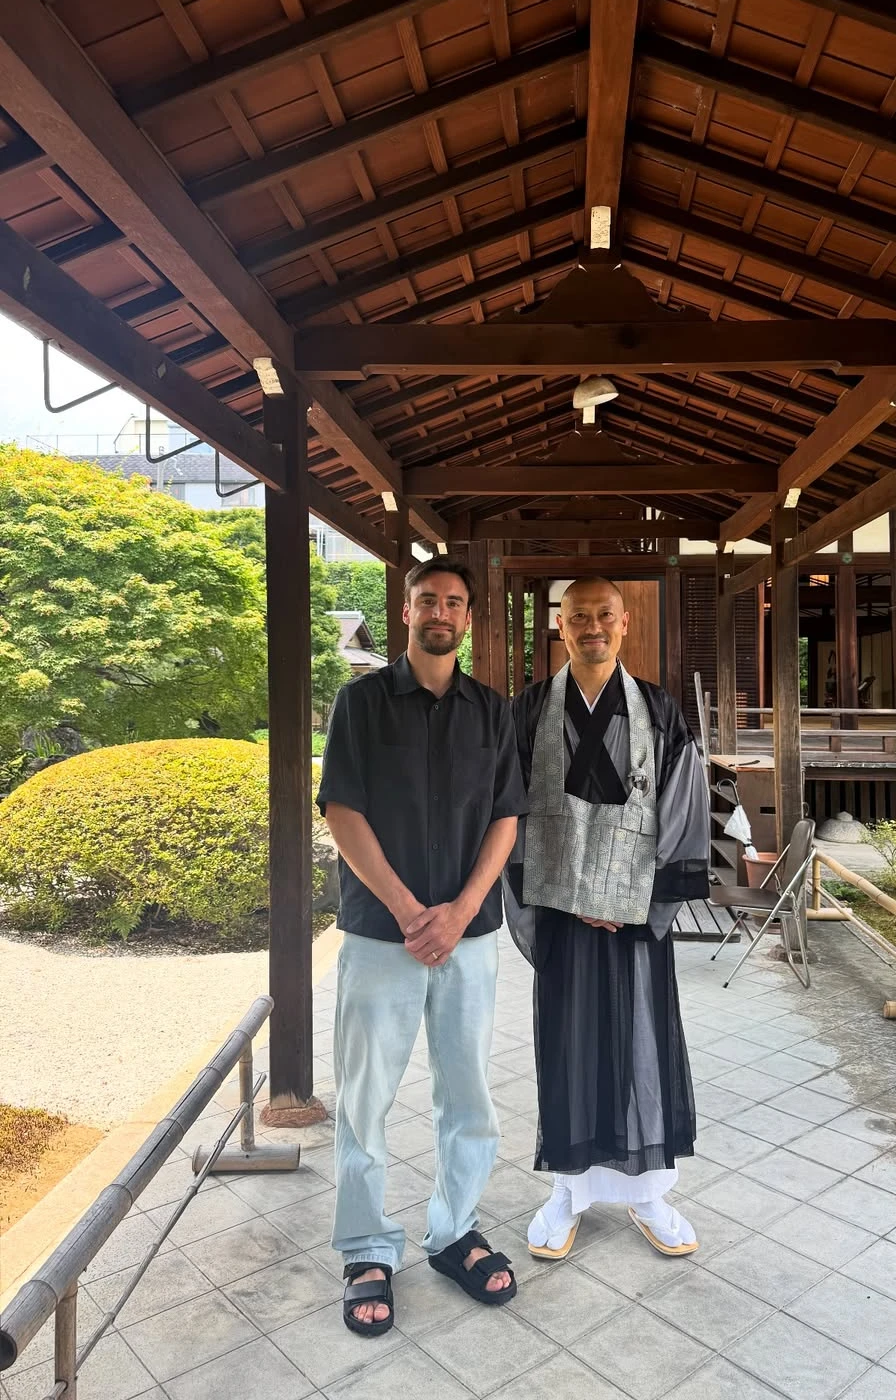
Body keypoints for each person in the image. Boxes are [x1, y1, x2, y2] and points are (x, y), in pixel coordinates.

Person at [318, 557, 528, 1338]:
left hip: (470, 936)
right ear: (404, 612)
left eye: (455, 602)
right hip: (383, 934)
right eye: (427, 600)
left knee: (468, 1092)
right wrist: (412, 911)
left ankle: (453, 1230)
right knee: (365, 1096)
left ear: (468, 619)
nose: (441, 611)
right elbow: (343, 808)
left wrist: (464, 907)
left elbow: (507, 814)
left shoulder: (492, 711)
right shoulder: (362, 703)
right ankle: (366, 1247)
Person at [503, 577, 710, 1260]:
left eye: (603, 616)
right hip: (563, 914)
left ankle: (650, 1191)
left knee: (644, 1044)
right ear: (559, 628)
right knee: (568, 1044)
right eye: (577, 618)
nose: (591, 627)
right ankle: (568, 1191)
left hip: (636, 920)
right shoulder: (530, 709)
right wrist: (562, 893)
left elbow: (682, 804)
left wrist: (643, 903)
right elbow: (509, 812)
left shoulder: (656, 707)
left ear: (624, 624)